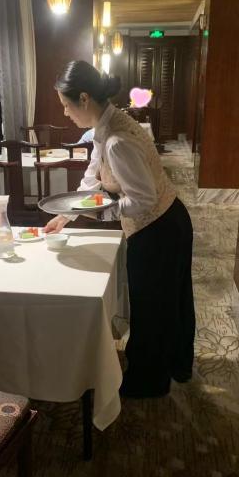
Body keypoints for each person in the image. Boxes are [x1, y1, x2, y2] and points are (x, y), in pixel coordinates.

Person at [45, 60, 195, 398]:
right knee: (164, 301)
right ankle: (169, 366)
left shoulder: (116, 140)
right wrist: (66, 215)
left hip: (159, 227)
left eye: (67, 105)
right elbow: (91, 177)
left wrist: (103, 212)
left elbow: (143, 199)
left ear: (84, 99)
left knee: (152, 306)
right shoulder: (105, 127)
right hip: (166, 221)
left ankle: (149, 382)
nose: (66, 113)